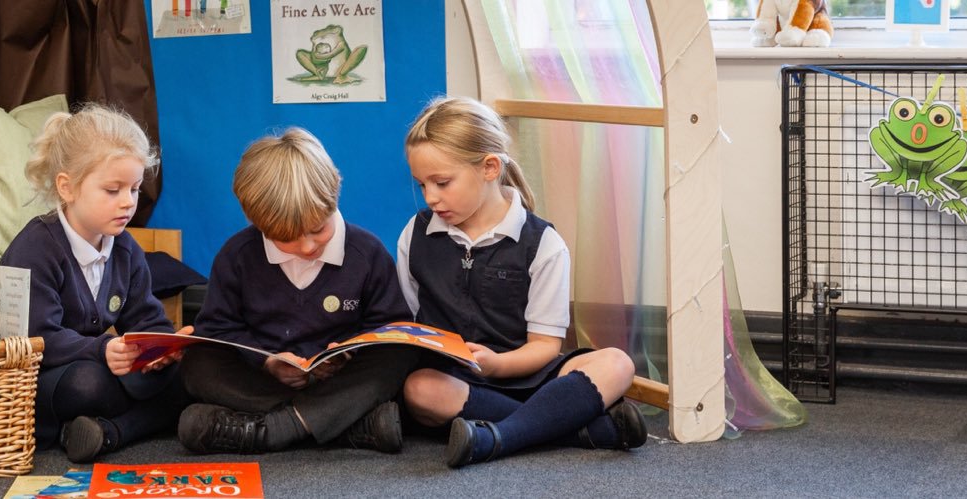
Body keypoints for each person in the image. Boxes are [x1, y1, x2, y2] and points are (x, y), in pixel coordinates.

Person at [395, 96, 647, 468]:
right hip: (456, 381)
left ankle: (499, 437)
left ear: (490, 167)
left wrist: (497, 365)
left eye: (442, 182)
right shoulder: (414, 235)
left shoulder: (542, 243)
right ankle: (574, 428)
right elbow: (409, 322)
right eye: (422, 185)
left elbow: (545, 346)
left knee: (617, 364)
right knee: (419, 390)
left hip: (531, 374)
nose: (431, 197)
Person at [177, 127, 417, 455]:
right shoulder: (237, 255)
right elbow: (218, 329)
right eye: (286, 237)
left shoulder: (368, 253)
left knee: (397, 355)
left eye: (318, 229)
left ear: (334, 196)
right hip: (267, 381)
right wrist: (268, 362)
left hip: (342, 380)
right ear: (258, 222)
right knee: (198, 360)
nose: (306, 246)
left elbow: (390, 329)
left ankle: (274, 428)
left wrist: (349, 353)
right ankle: (342, 424)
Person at [0, 104, 190, 463]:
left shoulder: (126, 250)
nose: (128, 203)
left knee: (191, 376)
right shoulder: (35, 249)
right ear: (67, 188)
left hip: (105, 366)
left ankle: (105, 433)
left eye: (134, 189)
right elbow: (36, 339)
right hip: (47, 379)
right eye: (112, 190)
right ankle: (119, 424)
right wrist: (102, 349)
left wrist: (164, 349)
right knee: (89, 384)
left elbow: (144, 319)